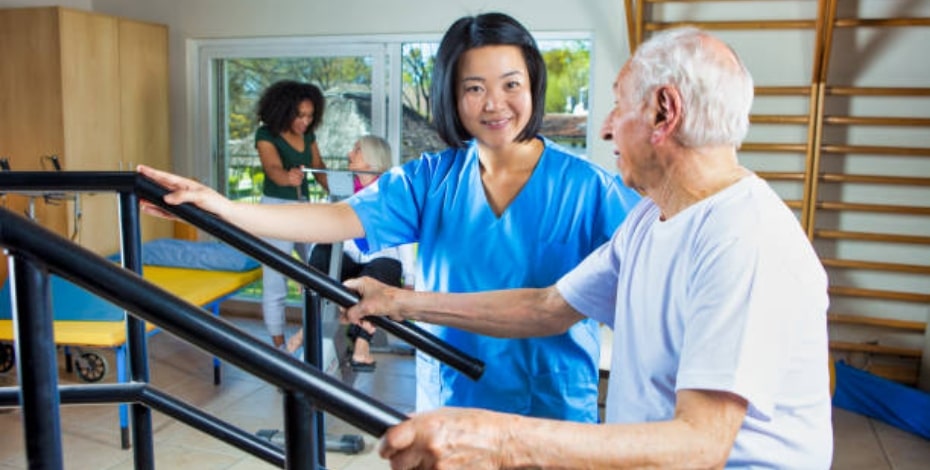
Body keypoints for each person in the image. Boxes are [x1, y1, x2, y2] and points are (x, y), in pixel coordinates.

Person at [342, 27, 833, 469]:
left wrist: (500, 441)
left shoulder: (744, 239)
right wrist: (400, 302)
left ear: (664, 112)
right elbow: (546, 306)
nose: (604, 127)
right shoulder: (651, 217)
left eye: (620, 106)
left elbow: (699, 446)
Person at [138, 12, 639, 422]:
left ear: (533, 85)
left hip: (548, 406)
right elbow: (337, 218)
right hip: (453, 398)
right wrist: (222, 208)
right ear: (452, 94)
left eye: (511, 84)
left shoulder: (589, 187)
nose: (494, 104)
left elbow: (647, 277)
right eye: (473, 88)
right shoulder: (430, 179)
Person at [285, 135, 416, 372]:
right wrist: (310, 271)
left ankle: (362, 343)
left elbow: (405, 238)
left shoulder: (392, 192)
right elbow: (325, 228)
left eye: (357, 150)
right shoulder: (343, 189)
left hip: (381, 259)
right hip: (347, 257)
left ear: (371, 160)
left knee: (379, 273)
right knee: (323, 253)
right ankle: (309, 329)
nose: (349, 154)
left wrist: (409, 279)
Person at [254, 80, 329, 349]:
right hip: (275, 209)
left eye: (310, 116)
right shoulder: (266, 135)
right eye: (300, 115)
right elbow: (272, 168)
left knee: (322, 270)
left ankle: (313, 335)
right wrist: (288, 177)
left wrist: (344, 191)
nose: (305, 122)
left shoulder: (308, 137)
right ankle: (278, 348)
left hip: (303, 209)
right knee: (276, 281)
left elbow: (318, 167)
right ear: (284, 111)